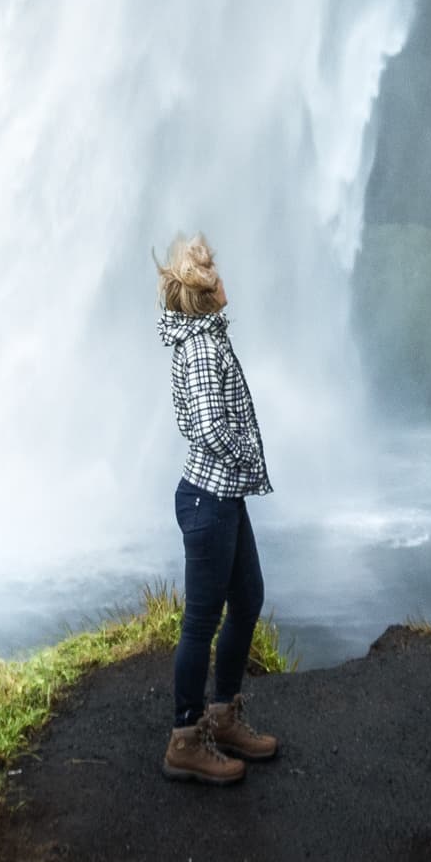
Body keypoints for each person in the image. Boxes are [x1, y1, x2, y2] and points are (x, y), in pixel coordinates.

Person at [156, 234, 276, 785]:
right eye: (217, 275)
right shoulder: (203, 346)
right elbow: (207, 427)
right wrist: (248, 452)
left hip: (222, 496)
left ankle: (223, 715)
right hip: (209, 498)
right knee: (201, 622)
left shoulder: (207, 336)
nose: (225, 280)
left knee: (247, 599)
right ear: (206, 292)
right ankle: (185, 739)